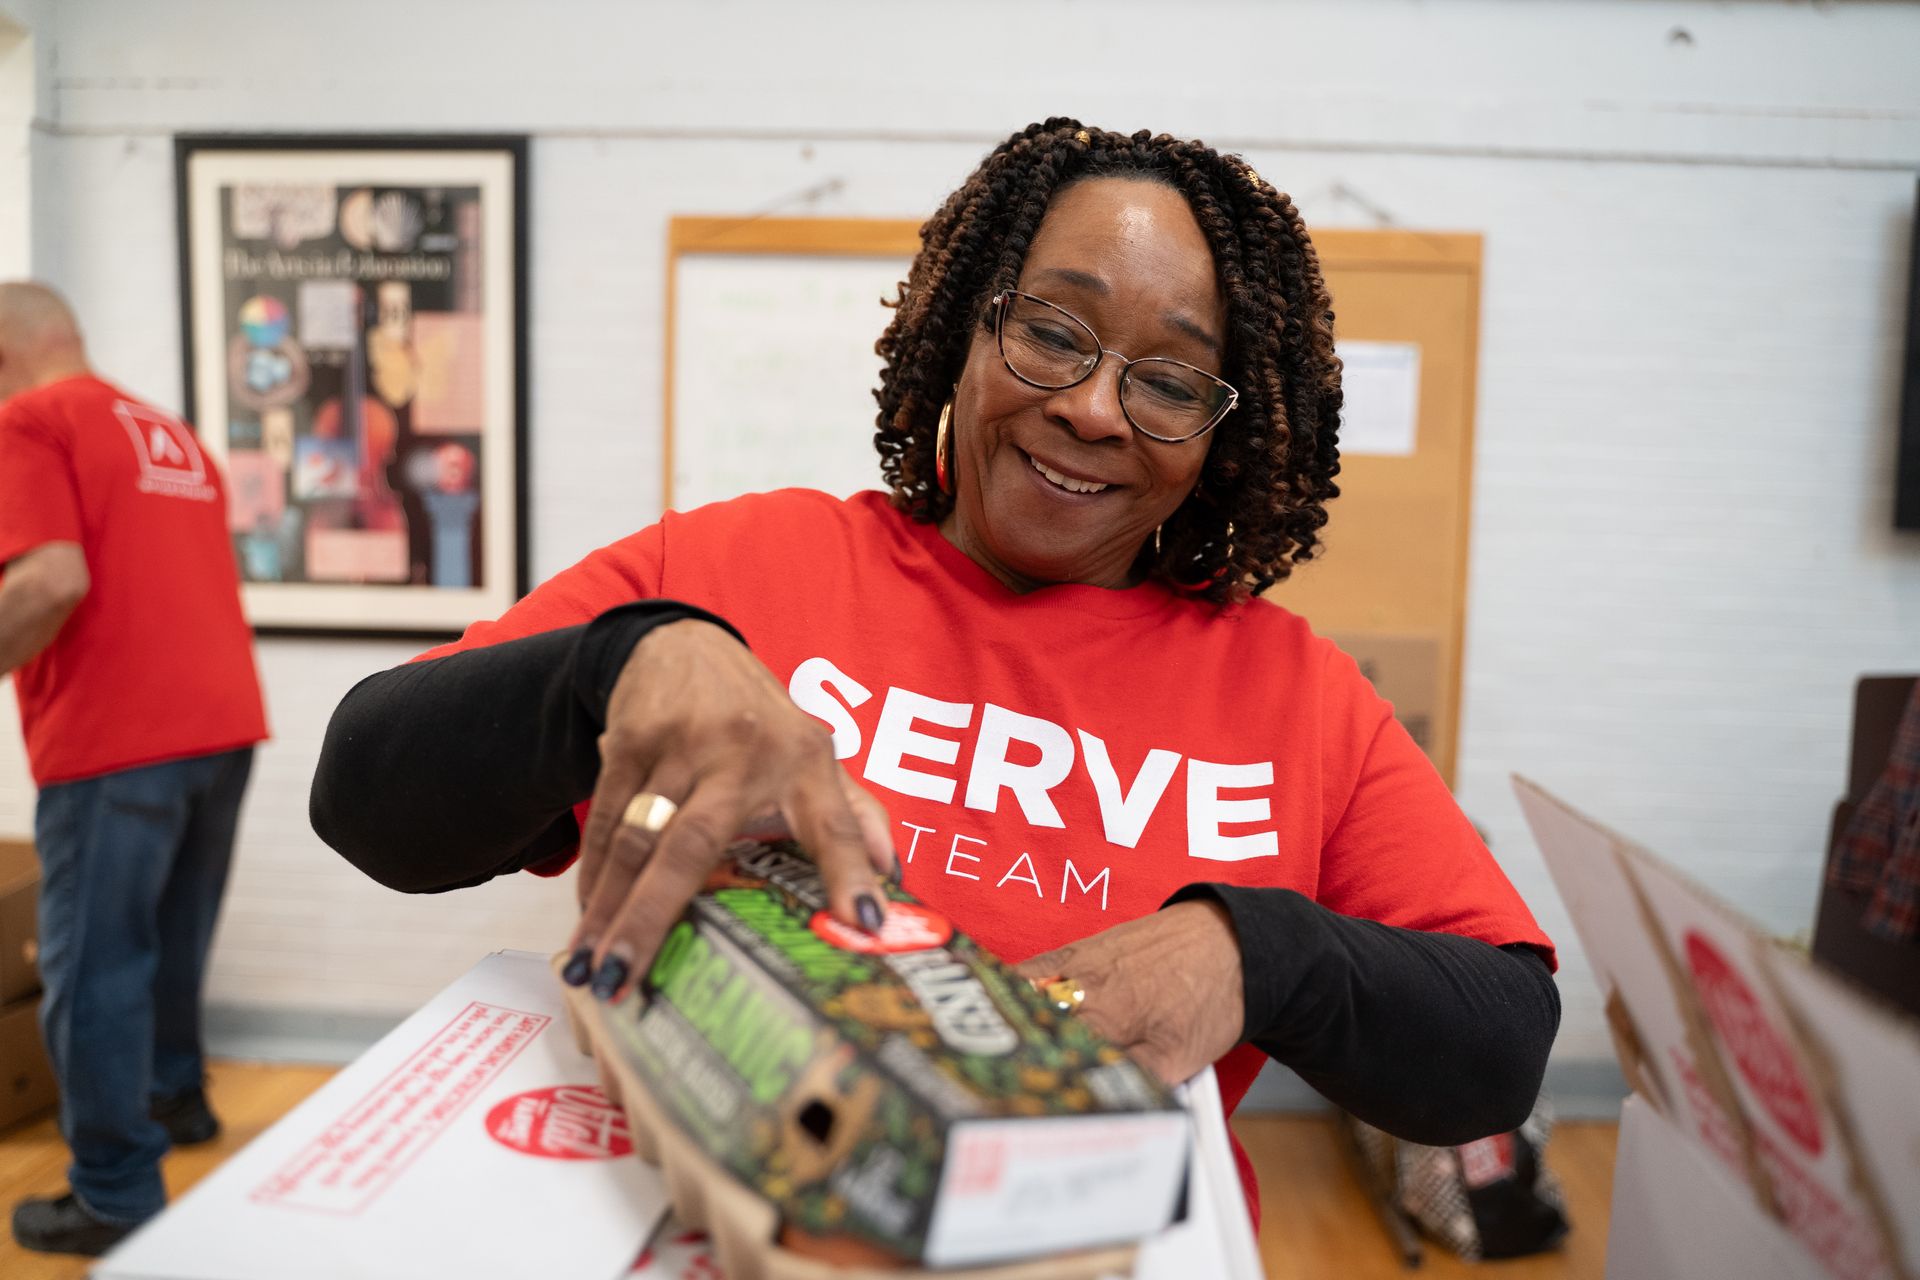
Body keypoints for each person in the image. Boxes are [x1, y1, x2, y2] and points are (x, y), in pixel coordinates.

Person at [313, 120, 1560, 1223]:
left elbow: (1501, 1040)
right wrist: (613, 667)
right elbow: (364, 795)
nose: (1094, 409)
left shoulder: (1293, 694)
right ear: (972, 321)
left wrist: (1262, 955)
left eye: (1169, 381)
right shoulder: (744, 563)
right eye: (1056, 332)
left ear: (1221, 433)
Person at [0, 282, 268, 1256]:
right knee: (170, 936)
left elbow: (51, 577)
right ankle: (176, 1098)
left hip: (115, 737)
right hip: (222, 721)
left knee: (94, 964)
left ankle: (113, 1190)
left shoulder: (30, 418)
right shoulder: (169, 435)